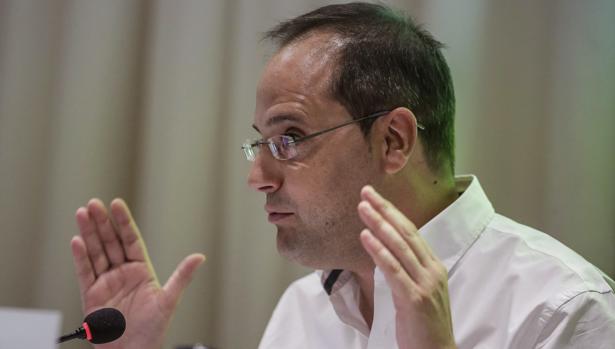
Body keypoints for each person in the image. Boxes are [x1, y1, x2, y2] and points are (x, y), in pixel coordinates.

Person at [69, 2, 615, 348]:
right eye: (259, 142)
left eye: (288, 139)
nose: (257, 177)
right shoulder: (304, 308)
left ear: (393, 141)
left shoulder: (562, 308)